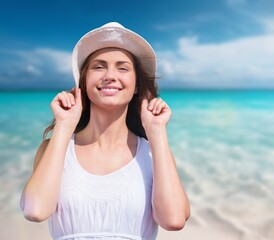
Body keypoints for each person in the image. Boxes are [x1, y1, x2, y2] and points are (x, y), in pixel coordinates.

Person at [20, 22, 190, 240]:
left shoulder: (152, 153)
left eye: (122, 68)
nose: (110, 75)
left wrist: (156, 132)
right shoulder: (54, 148)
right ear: (84, 81)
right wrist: (64, 125)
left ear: (136, 85)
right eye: (99, 67)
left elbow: (173, 220)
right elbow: (35, 210)